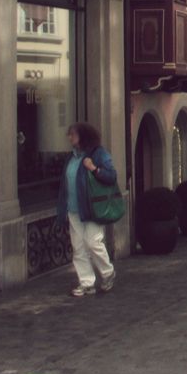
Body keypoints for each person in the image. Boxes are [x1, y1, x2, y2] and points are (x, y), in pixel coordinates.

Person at [56, 122, 117, 297]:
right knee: (79, 247)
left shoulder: (98, 154)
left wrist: (94, 168)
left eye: (72, 134)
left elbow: (111, 176)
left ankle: (107, 273)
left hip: (92, 208)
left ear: (83, 135)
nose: (69, 137)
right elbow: (65, 184)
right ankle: (86, 282)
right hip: (73, 209)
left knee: (93, 242)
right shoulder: (71, 157)